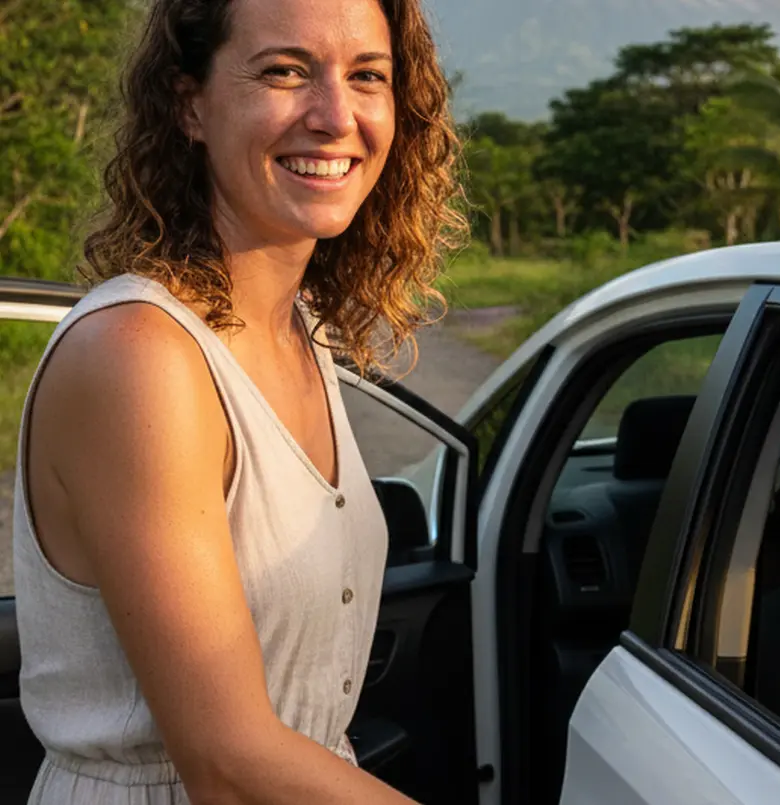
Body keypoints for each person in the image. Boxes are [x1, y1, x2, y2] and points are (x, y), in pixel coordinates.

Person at [11, 0, 465, 801]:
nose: (335, 116)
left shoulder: (300, 330)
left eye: (368, 76)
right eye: (285, 71)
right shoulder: (140, 355)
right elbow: (227, 761)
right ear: (190, 104)